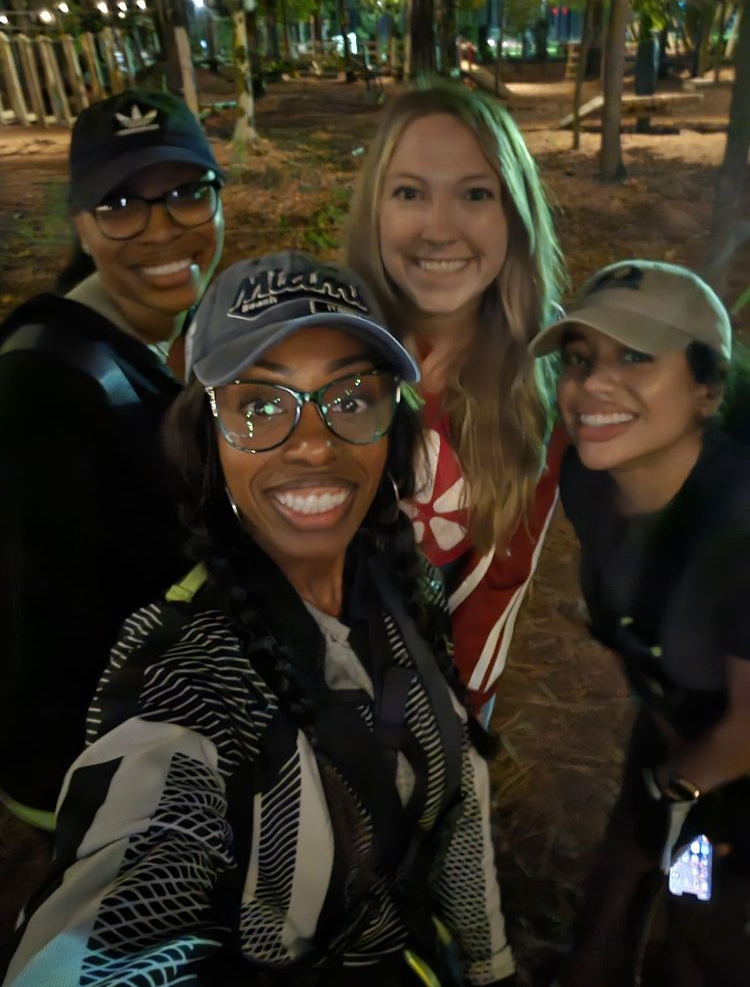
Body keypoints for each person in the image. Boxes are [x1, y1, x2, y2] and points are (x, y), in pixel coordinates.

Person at [3, 252, 516, 987]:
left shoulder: (405, 582)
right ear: (206, 439)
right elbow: (117, 906)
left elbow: (458, 799)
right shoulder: (184, 672)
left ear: (392, 427)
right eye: (261, 405)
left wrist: (492, 965)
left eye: (351, 398)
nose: (313, 443)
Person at [0, 89, 224, 919]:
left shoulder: (148, 341)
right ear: (83, 227)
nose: (162, 229)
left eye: (187, 194)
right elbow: (53, 625)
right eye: (121, 205)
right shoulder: (44, 390)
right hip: (91, 772)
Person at [530, 260, 750, 985]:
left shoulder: (739, 526)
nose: (592, 383)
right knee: (626, 869)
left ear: (707, 390)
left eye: (636, 356)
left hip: (728, 759)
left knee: (703, 904)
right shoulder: (588, 480)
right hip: (676, 726)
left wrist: (674, 790)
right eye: (580, 358)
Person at [346, 83, 567, 716]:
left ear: (514, 216)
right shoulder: (325, 345)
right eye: (409, 192)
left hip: (446, 693)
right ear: (374, 211)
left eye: (475, 194)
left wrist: (456, 713)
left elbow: (503, 574)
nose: (439, 229)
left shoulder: (541, 370)